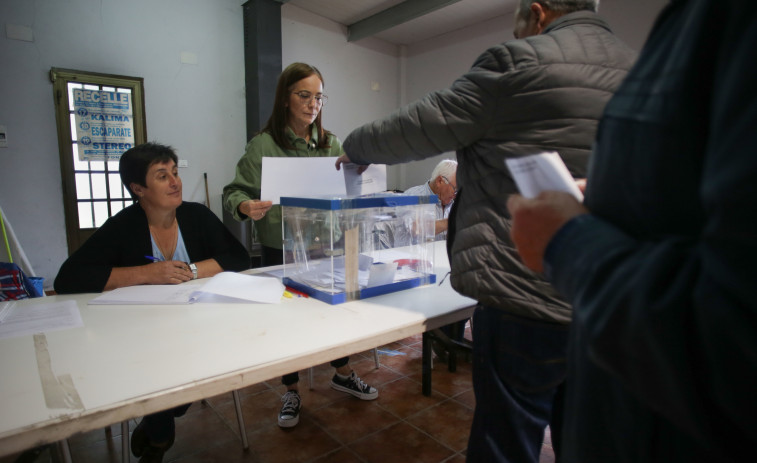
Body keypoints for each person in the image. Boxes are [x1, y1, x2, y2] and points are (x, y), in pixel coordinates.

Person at [335, 1, 636, 461]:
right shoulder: (643, 71)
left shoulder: (515, 65)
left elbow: (414, 126)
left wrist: (355, 146)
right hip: (608, 300)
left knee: (506, 440)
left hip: (522, 293)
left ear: (537, 13)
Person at [506, 0, 757, 461]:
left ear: (538, 15)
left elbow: (735, 345)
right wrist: (609, 195)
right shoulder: (667, 33)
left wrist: (567, 241)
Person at [54, 142, 250, 463]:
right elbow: (69, 278)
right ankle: (159, 435)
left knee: (192, 368)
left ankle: (161, 422)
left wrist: (192, 270)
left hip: (200, 329)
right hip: (143, 336)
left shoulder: (196, 215)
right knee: (160, 369)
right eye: (162, 176)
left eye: (175, 173)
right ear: (139, 189)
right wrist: (147, 273)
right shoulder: (124, 226)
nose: (175, 182)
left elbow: (238, 257)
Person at [223, 62, 378, 430]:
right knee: (288, 324)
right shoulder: (263, 144)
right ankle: (291, 389)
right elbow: (234, 192)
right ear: (285, 98)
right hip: (283, 248)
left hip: (327, 244)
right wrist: (246, 206)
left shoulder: (331, 143)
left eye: (319, 97)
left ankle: (342, 372)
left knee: (332, 312)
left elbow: (348, 185)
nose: (313, 104)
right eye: (304, 95)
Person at [403, 159, 458, 240]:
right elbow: (414, 229)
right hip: (413, 252)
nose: (456, 195)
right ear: (439, 181)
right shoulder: (413, 196)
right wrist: (452, 222)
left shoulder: (452, 203)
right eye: (455, 189)